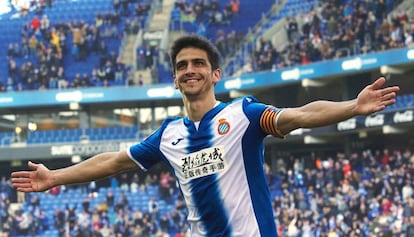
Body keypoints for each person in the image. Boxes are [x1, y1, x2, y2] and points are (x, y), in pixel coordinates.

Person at [11, 35, 400, 237]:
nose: (190, 70)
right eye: (182, 65)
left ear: (215, 74)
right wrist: (56, 177)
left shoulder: (242, 115)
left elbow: (297, 115)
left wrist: (352, 106)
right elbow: (114, 161)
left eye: (199, 63)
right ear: (176, 78)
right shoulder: (169, 135)